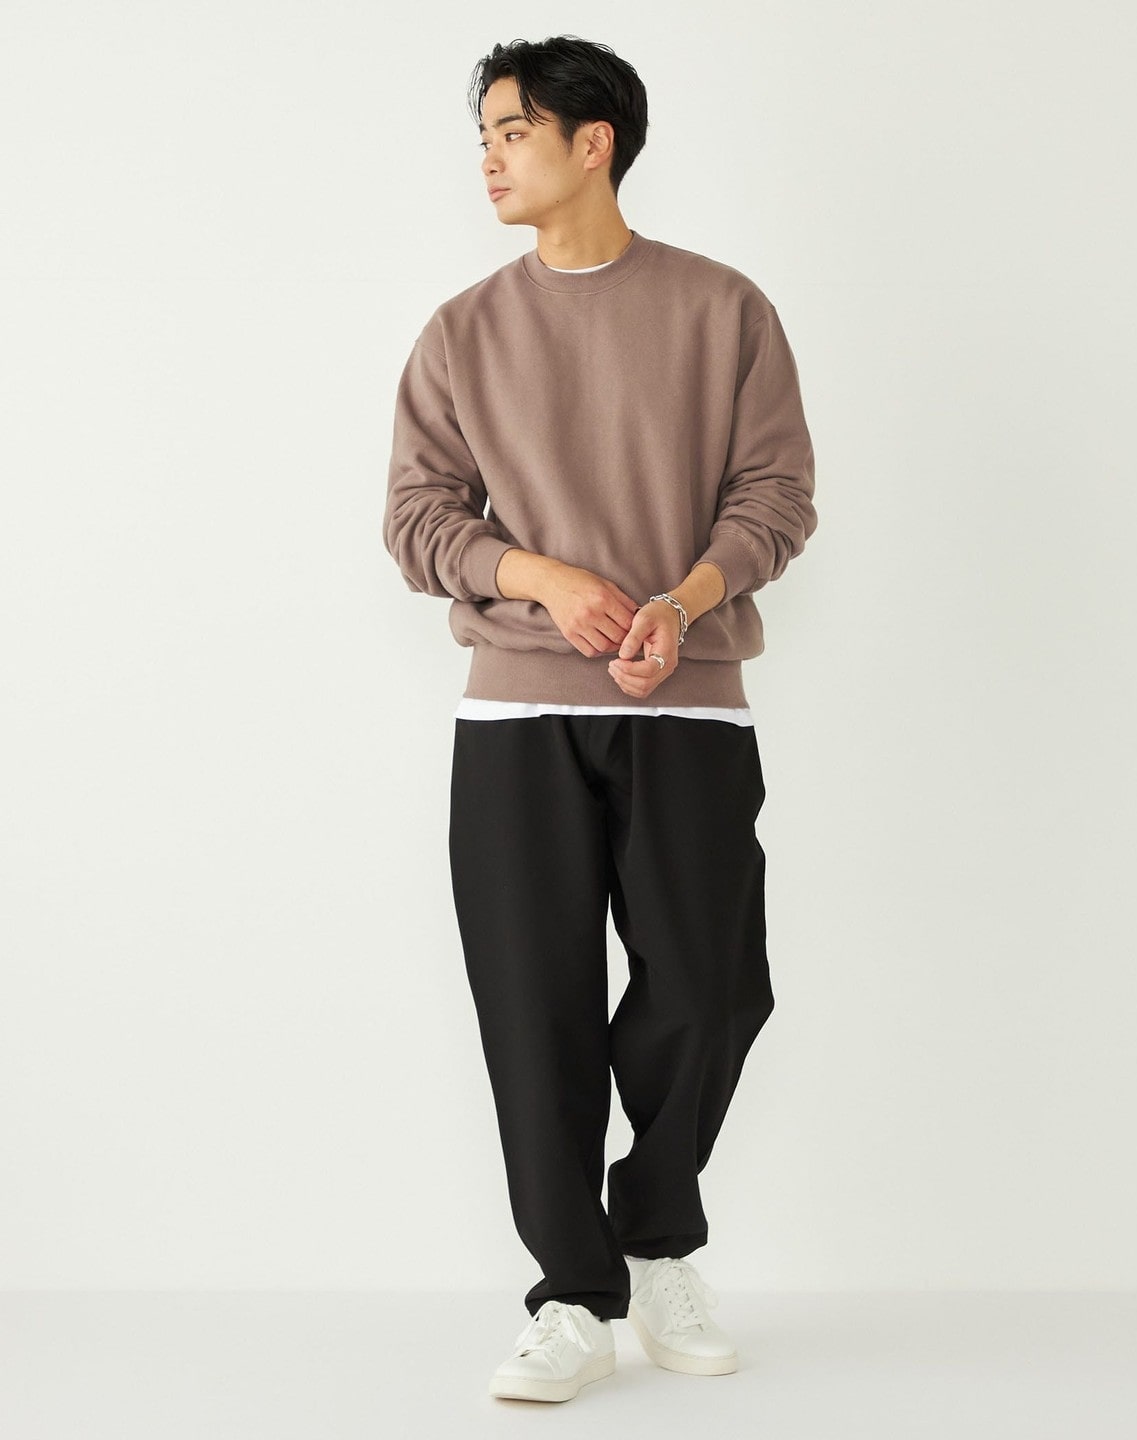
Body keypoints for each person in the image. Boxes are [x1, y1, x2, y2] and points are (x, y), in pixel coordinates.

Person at [382, 34, 817, 1405]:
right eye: (484, 136)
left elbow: (776, 496)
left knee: (712, 987)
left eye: (513, 131)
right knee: (536, 1009)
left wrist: (681, 603)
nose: (490, 157)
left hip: (689, 704)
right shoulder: (463, 332)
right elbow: (416, 520)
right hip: (517, 713)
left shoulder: (723, 311)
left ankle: (657, 1231)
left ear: (594, 144)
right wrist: (541, 577)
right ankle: (574, 1294)